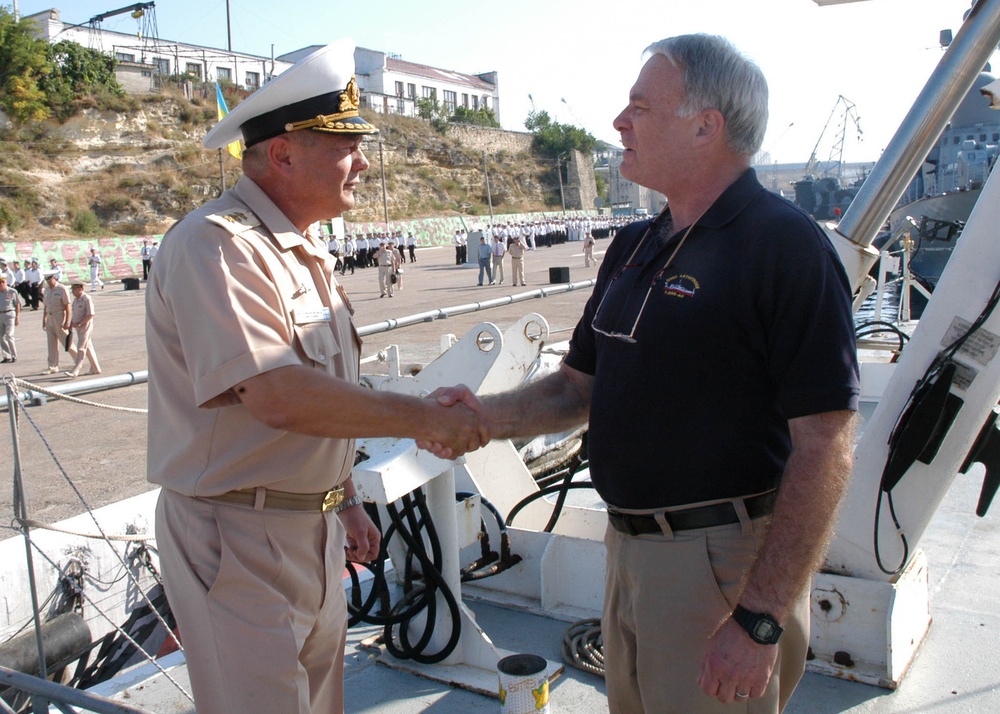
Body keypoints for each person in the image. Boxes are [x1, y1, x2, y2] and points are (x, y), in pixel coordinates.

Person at [423, 34, 858, 714]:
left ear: (705, 125)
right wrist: (483, 417)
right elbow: (575, 389)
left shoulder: (784, 247)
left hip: (719, 564)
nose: (619, 123)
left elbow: (826, 445)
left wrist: (760, 618)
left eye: (639, 107)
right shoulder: (636, 244)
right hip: (626, 552)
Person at [145, 41, 487, 714]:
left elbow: (322, 395)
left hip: (312, 525)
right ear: (282, 154)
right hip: (236, 534)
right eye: (345, 144)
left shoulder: (302, 251)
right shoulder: (218, 245)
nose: (362, 161)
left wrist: (346, 495)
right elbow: (276, 393)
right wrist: (424, 418)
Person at [64, 279, 100, 378]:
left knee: (81, 347)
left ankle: (76, 370)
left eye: (74, 289)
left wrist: (79, 323)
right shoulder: (76, 300)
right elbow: (75, 314)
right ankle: (95, 368)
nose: (72, 292)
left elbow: (91, 314)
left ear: (80, 289)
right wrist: (71, 324)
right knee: (87, 346)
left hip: (85, 326)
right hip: (78, 327)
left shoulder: (86, 299)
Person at [41, 271, 74, 374]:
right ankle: (52, 366)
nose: (49, 282)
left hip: (59, 316)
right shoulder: (46, 290)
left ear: (54, 278)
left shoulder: (61, 289)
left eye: (50, 280)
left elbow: (67, 306)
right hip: (50, 316)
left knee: (66, 341)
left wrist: (67, 321)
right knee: (51, 343)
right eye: (47, 281)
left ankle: (78, 359)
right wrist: (44, 319)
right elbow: (45, 306)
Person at [0, 275, 21, 364]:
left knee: (9, 335)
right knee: (1, 337)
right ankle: (7, 356)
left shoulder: (12, 291)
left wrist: (17, 317)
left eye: (3, 282)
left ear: (6, 282)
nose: (1, 284)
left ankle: (14, 355)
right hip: (0, 315)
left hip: (9, 314)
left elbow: (17, 304)